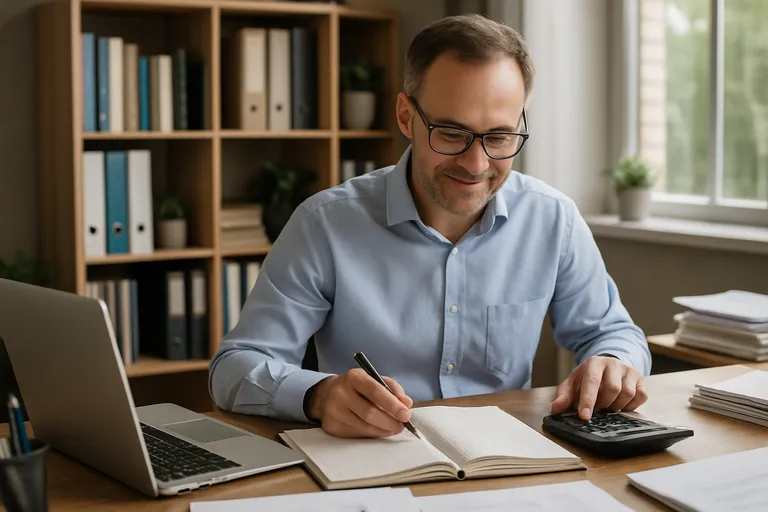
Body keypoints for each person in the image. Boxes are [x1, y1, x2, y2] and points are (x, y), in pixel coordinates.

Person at [209, 13, 651, 439]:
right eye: (452, 133)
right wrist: (318, 397)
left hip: (506, 465)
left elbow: (612, 332)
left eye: (499, 137)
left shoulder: (553, 219)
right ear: (406, 118)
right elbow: (234, 366)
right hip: (369, 467)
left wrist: (612, 361)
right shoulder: (324, 224)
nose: (477, 165)